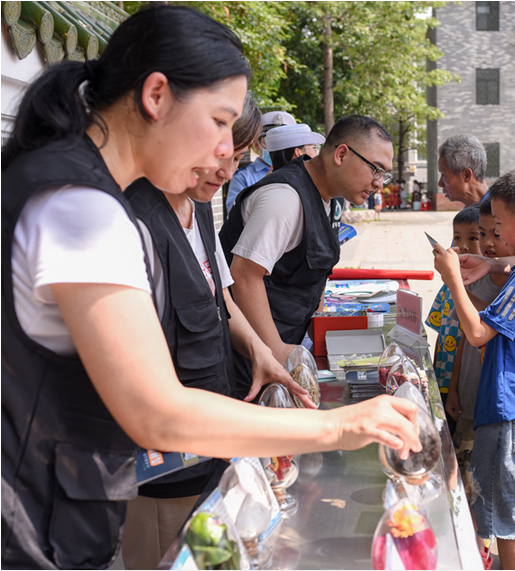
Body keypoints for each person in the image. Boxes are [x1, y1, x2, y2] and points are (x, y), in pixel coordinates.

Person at [1, 7, 420, 569]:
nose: (225, 150)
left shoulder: (70, 182)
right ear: (156, 96)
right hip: (36, 525)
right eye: (221, 122)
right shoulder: (82, 208)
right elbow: (156, 411)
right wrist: (336, 425)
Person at [121, 95, 313, 569]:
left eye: (239, 156)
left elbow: (222, 299)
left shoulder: (198, 206)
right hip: (164, 466)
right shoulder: (134, 221)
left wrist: (262, 352)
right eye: (218, 152)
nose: (227, 171)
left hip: (213, 443)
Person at [433, 168, 515, 570]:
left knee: (505, 526)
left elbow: (476, 333)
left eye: (500, 226)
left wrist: (454, 279)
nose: (497, 237)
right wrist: (487, 268)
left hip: (509, 413)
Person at [219, 115, 394, 364]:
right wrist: (275, 350)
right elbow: (244, 276)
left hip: (284, 343)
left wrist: (318, 329)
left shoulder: (331, 197)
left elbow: (316, 270)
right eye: (375, 169)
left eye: (385, 175)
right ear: (341, 155)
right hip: (245, 356)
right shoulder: (284, 198)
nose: (379, 183)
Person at [445, 199, 509, 505]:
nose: (485, 243)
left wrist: (455, 284)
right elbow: (464, 338)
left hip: (493, 403)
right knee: (462, 483)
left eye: (493, 234)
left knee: (489, 493)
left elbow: (485, 325)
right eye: (481, 234)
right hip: (467, 395)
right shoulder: (475, 277)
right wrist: (453, 387)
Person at [425, 205, 481, 436]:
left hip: (463, 385)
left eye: (473, 238)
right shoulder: (447, 287)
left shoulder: (480, 289)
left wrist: (455, 386)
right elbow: (439, 333)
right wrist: (433, 375)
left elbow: (470, 339)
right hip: (442, 377)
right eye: (457, 237)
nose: (463, 245)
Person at [225, 110, 296, 213]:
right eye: (270, 141)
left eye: (283, 142)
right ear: (256, 145)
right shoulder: (242, 177)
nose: (277, 148)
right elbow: (234, 214)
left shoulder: (297, 172)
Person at [438, 135, 490, 206]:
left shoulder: (500, 210)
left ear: (466, 176)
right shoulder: (495, 207)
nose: (440, 184)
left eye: (444, 175)